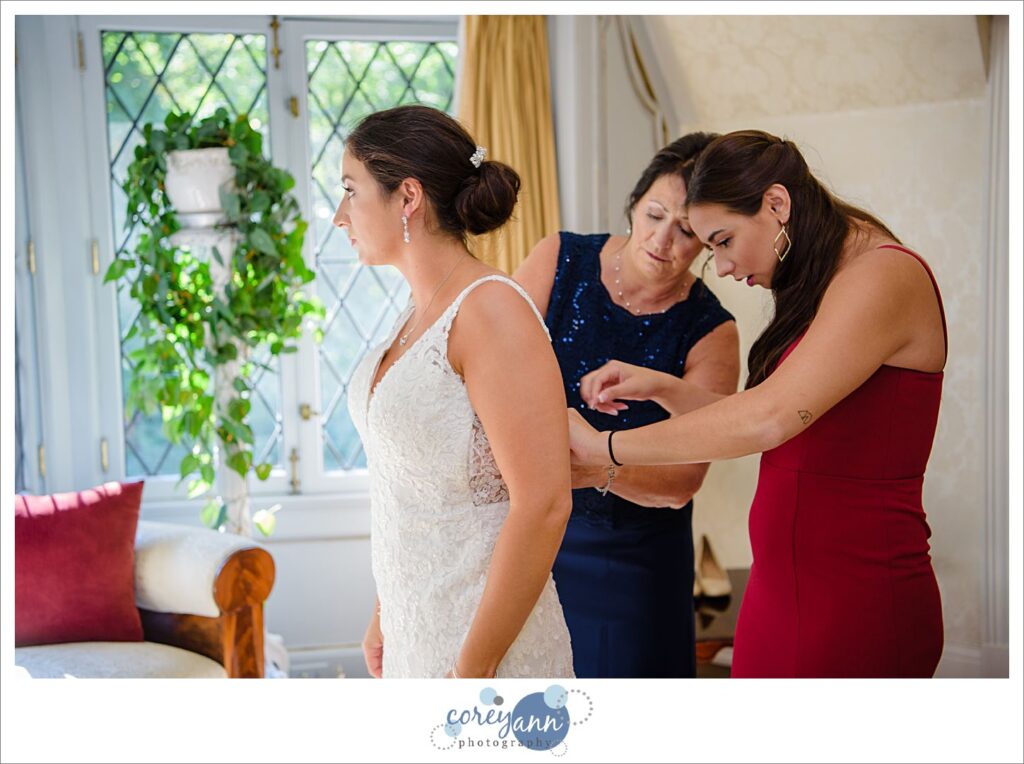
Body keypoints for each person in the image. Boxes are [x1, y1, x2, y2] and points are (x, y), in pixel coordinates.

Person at [567, 130, 946, 678]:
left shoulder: (884, 275)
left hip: (855, 594)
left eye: (720, 240)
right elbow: (783, 418)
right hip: (784, 591)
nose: (718, 267)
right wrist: (662, 387)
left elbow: (768, 419)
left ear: (776, 204)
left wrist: (605, 450)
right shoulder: (829, 278)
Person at [337, 105, 574, 678]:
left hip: (484, 646)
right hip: (418, 624)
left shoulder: (491, 309)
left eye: (351, 190)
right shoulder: (415, 313)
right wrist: (385, 611)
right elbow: (412, 490)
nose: (340, 215)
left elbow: (543, 503)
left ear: (408, 197)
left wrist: (475, 667)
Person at [514, 133, 740, 678]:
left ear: (708, 242)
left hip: (634, 556)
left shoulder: (712, 331)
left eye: (686, 230)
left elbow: (685, 477)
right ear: (634, 204)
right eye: (654, 214)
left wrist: (585, 466)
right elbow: (490, 377)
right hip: (529, 533)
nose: (662, 239)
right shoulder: (559, 259)